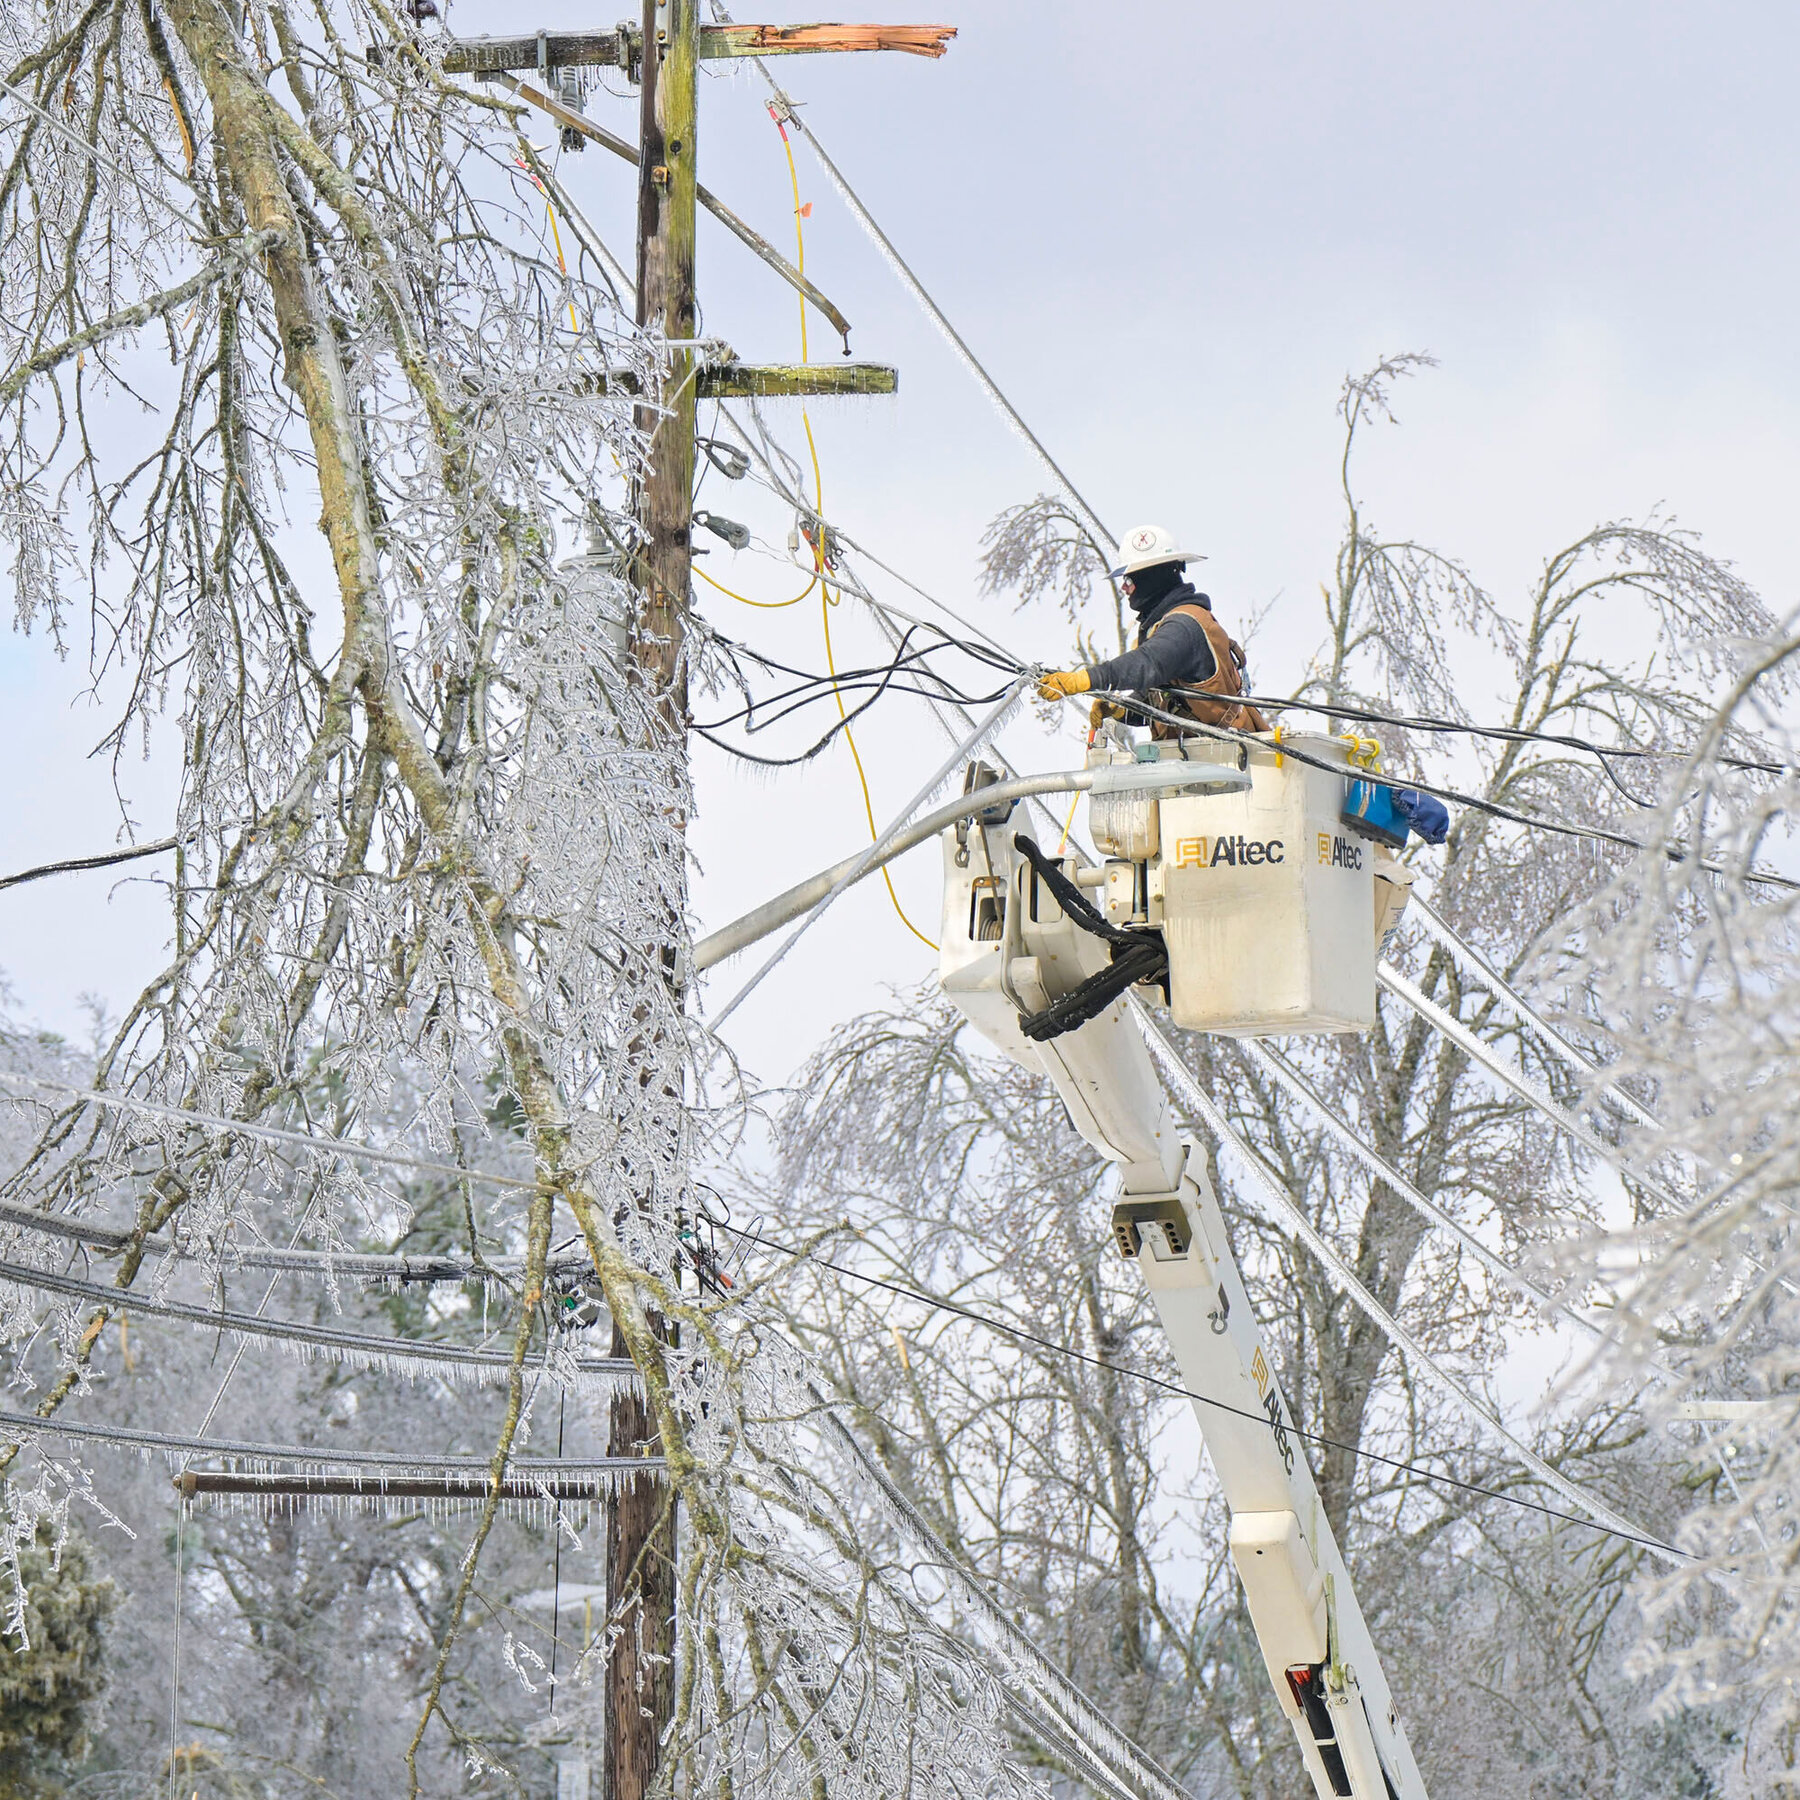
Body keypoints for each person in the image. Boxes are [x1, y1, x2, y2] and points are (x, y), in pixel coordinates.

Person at [1036, 524, 1269, 734]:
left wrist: (1086, 679)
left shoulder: (1184, 625)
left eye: (1129, 580)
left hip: (1225, 757)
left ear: (1151, 579)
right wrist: (1122, 710)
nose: (1124, 589)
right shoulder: (1169, 623)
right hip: (1200, 756)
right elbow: (1164, 706)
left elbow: (1149, 663)